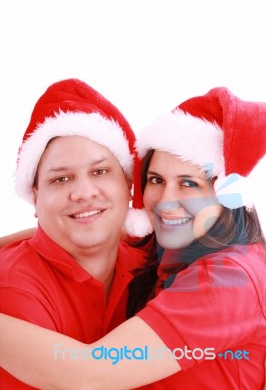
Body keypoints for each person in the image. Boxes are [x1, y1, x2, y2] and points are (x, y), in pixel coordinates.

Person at [1, 87, 266, 389]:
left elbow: (89, 376)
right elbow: (95, 223)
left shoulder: (225, 279)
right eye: (156, 180)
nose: (166, 201)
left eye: (189, 183)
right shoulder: (168, 245)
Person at [0, 78, 152, 389]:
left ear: (128, 186)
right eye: (60, 179)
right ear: (36, 197)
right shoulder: (13, 286)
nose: (83, 192)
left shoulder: (154, 260)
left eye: (99, 171)